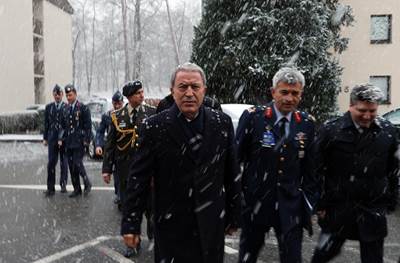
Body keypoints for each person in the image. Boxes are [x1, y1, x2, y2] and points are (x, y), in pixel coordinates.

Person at [121, 62, 241, 263]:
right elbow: (138, 178)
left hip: (211, 223)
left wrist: (234, 214)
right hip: (171, 226)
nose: (189, 93)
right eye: (182, 87)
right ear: (172, 91)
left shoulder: (222, 124)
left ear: (204, 90)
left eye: (195, 87)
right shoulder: (154, 127)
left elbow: (231, 172)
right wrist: (131, 223)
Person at [236, 67, 318, 263]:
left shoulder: (306, 123)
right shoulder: (254, 118)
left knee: (292, 258)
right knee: (247, 257)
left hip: (290, 205)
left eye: (295, 93)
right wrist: (237, 199)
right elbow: (236, 159)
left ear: (301, 94)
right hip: (256, 202)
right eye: (284, 92)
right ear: (273, 92)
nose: (289, 98)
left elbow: (312, 169)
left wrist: (308, 203)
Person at [311, 84, 399, 263]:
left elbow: (393, 169)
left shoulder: (387, 132)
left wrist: (390, 200)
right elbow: (316, 169)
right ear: (351, 106)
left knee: (373, 259)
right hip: (338, 208)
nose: (367, 116)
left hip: (372, 209)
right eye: (362, 110)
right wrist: (319, 204)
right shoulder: (331, 130)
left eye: (372, 110)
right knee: (321, 256)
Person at [102, 80, 156, 257]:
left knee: (151, 209)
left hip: (148, 171)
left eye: (142, 91)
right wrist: (107, 169)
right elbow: (110, 144)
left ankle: (155, 239)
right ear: (129, 97)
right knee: (129, 208)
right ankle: (132, 243)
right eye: (138, 93)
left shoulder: (152, 113)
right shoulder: (117, 116)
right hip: (126, 172)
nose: (142, 95)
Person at [60, 84, 92, 198]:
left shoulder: (83, 108)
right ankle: (76, 189)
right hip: (69, 142)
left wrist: (86, 140)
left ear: (75, 94)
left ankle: (87, 182)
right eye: (67, 95)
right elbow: (63, 126)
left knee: (77, 163)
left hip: (79, 141)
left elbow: (88, 126)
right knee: (71, 166)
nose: (68, 98)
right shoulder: (66, 108)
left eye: (70, 95)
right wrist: (61, 138)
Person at [95, 90, 124, 204]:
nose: (117, 106)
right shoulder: (108, 116)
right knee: (116, 173)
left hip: (125, 148)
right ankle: (119, 194)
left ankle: (123, 196)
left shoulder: (127, 114)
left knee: (124, 174)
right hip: (113, 149)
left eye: (119, 104)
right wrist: (98, 144)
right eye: (115, 104)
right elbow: (100, 132)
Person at [43, 84, 68, 196]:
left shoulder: (66, 107)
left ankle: (63, 185)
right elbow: (46, 124)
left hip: (64, 140)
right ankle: (50, 188)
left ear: (62, 95)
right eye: (55, 94)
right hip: (52, 139)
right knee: (51, 164)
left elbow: (67, 125)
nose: (57, 96)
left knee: (64, 163)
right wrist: (45, 138)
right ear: (53, 95)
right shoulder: (49, 107)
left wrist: (61, 138)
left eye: (59, 94)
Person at [156, 90, 222, 113]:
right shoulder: (165, 104)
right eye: (183, 86)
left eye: (194, 86)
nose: (189, 92)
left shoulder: (211, 104)